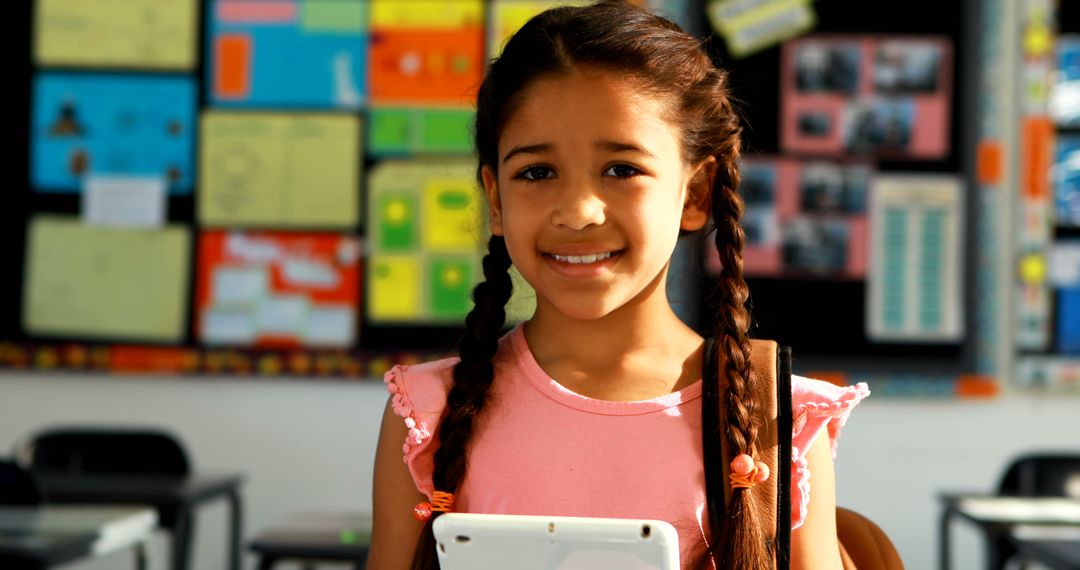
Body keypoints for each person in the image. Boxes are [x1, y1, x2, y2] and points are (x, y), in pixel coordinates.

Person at [368, 2, 869, 568]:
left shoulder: (774, 418)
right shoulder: (428, 413)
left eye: (621, 170)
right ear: (495, 198)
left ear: (697, 193)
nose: (579, 212)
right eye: (536, 173)